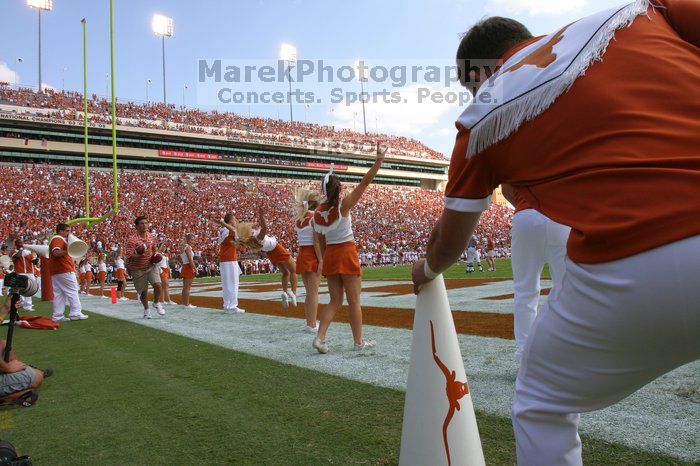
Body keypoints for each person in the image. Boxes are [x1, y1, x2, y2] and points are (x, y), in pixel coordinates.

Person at [413, 3, 700, 464]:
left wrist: (425, 268)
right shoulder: (641, 12)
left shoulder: (481, 114)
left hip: (637, 260)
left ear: (479, 73)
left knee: (540, 402)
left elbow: (450, 241)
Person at [312, 144, 386, 353]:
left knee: (334, 301)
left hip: (331, 255)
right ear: (339, 188)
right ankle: (358, 342)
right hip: (346, 252)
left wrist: (325, 259)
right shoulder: (344, 205)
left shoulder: (317, 214)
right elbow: (365, 183)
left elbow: (322, 240)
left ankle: (320, 337)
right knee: (354, 301)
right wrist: (378, 161)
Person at [503, 186, 570, 363]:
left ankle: (526, 352)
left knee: (525, 289)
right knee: (567, 289)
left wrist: (528, 204)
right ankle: (566, 348)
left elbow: (506, 188)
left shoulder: (515, 156)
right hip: (560, 214)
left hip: (526, 215)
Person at [238, 209, 298, 308]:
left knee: (285, 273)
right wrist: (261, 215)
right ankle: (293, 293)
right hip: (277, 248)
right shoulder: (257, 237)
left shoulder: (249, 240)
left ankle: (284, 292)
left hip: (270, 253)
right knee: (294, 270)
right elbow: (264, 227)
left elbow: (254, 227)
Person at [294, 188, 323, 332]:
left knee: (309, 292)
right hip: (312, 254)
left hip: (302, 254)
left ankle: (309, 322)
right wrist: (321, 261)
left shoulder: (299, 219)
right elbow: (317, 242)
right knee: (314, 292)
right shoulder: (314, 218)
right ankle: (312, 325)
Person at [124, 216, 165, 319]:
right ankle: (146, 310)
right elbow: (128, 255)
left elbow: (155, 249)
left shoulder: (151, 236)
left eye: (146, 223)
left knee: (158, 285)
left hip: (150, 265)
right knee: (143, 291)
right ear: (137, 226)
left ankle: (156, 302)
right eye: (142, 223)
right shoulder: (132, 240)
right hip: (137, 268)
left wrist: (156, 254)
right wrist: (138, 255)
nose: (144, 225)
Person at [48, 223, 87, 322]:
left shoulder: (56, 239)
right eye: (67, 231)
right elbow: (56, 252)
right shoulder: (58, 239)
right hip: (64, 269)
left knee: (59, 294)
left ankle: (57, 316)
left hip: (57, 271)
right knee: (72, 290)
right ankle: (75, 313)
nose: (69, 233)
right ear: (61, 231)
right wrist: (69, 251)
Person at [211, 214, 244, 314]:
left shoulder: (222, 231)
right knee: (234, 283)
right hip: (230, 259)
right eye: (235, 219)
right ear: (230, 221)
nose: (236, 221)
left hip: (224, 259)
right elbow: (236, 231)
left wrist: (222, 224)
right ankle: (233, 305)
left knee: (226, 284)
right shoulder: (229, 231)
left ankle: (226, 305)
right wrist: (223, 223)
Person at [9, 239, 36, 311]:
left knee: (29, 289)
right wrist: (21, 249)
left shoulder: (28, 252)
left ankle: (28, 307)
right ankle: (21, 303)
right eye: (19, 243)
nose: (21, 244)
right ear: (16, 244)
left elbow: (34, 262)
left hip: (30, 272)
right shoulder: (13, 251)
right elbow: (17, 256)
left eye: (22, 242)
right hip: (20, 272)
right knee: (21, 290)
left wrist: (38, 256)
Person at [179, 233, 197, 309]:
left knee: (185, 287)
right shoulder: (188, 247)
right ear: (188, 240)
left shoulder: (184, 247)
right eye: (192, 239)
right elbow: (190, 260)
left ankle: (185, 303)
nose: (193, 241)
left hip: (185, 266)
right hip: (188, 267)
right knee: (187, 287)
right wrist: (195, 269)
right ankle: (186, 304)